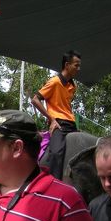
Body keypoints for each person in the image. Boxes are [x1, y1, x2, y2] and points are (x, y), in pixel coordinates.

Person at [32, 50, 81, 179]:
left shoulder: (73, 85)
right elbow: (35, 99)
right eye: (76, 65)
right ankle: (53, 184)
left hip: (71, 124)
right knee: (56, 153)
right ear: (67, 65)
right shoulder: (54, 82)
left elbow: (66, 105)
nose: (78, 68)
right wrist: (51, 119)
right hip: (59, 124)